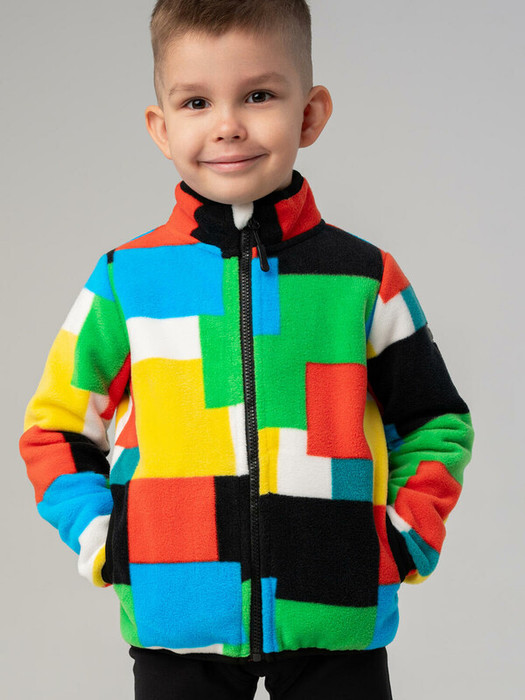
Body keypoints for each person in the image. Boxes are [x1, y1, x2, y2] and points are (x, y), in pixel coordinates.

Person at [18, 1, 475, 698]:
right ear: (161, 128)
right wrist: (105, 541)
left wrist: (405, 538)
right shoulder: (125, 282)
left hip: (336, 609)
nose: (227, 124)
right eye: (196, 102)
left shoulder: (363, 279)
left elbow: (435, 420)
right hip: (176, 611)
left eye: (258, 95)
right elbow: (55, 430)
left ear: (309, 114)